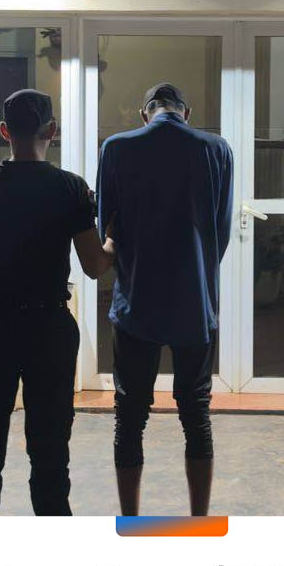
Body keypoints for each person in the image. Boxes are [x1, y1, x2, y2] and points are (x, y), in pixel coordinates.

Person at [0, 89, 114, 516]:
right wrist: (114, 238)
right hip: (50, 331)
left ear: (4, 131)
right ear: (51, 131)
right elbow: (95, 266)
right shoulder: (70, 188)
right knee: (50, 449)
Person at [97, 82, 233, 517]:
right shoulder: (217, 150)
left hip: (137, 301)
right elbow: (220, 233)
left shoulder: (116, 148)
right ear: (186, 113)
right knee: (196, 414)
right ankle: (198, 522)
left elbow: (106, 227)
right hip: (194, 303)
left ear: (145, 114)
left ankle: (131, 521)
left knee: (129, 417)